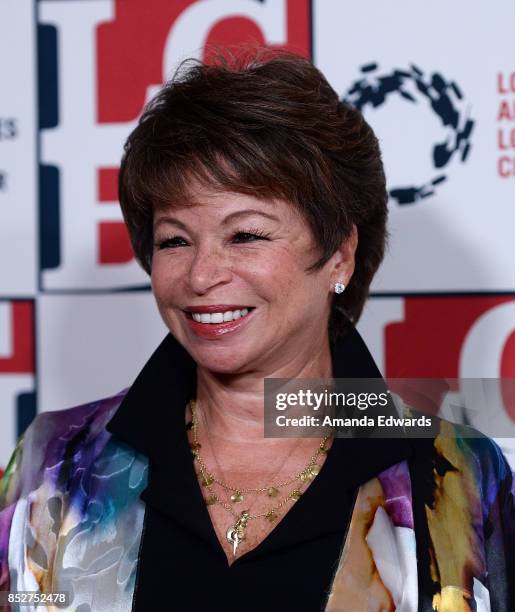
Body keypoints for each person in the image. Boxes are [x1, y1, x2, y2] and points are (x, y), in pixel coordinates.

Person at [1, 49, 514, 612]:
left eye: (245, 235)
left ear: (340, 255)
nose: (201, 274)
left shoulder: (455, 475)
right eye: (175, 240)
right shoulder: (55, 462)